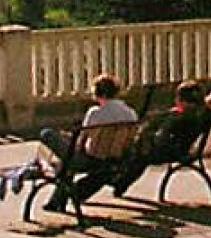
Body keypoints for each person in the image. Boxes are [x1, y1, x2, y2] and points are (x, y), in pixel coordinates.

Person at [108, 80, 211, 200]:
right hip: (181, 151)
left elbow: (162, 138)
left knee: (135, 153)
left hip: (166, 152)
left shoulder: (177, 119)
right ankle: (120, 182)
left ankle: (116, 180)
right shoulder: (205, 114)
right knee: (138, 156)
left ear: (180, 101)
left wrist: (147, 134)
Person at [37, 74, 138, 213]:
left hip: (90, 158)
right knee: (65, 161)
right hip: (115, 157)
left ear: (98, 93)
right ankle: (56, 200)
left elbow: (80, 142)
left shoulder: (95, 113)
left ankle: (56, 197)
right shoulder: (131, 114)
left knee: (47, 134)